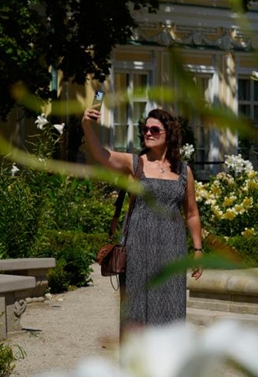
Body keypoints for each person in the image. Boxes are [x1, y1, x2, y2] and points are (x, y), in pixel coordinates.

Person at [82, 105, 203, 334]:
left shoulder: (184, 170)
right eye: (146, 129)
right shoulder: (134, 164)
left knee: (171, 307)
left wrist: (197, 250)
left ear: (170, 134)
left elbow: (192, 213)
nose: (148, 133)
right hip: (138, 248)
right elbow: (100, 154)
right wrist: (87, 125)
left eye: (155, 130)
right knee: (136, 309)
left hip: (172, 249)